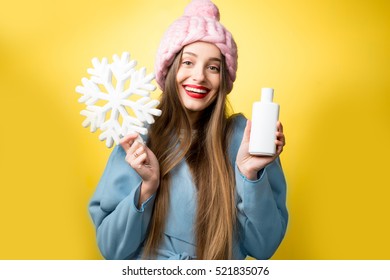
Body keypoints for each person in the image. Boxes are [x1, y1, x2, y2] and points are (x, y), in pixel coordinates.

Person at [89, 0, 288, 260]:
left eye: (213, 67)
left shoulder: (245, 140)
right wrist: (147, 187)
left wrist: (250, 176)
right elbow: (111, 249)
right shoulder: (138, 138)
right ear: (170, 70)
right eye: (188, 62)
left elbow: (264, 248)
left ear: (224, 80)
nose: (199, 77)